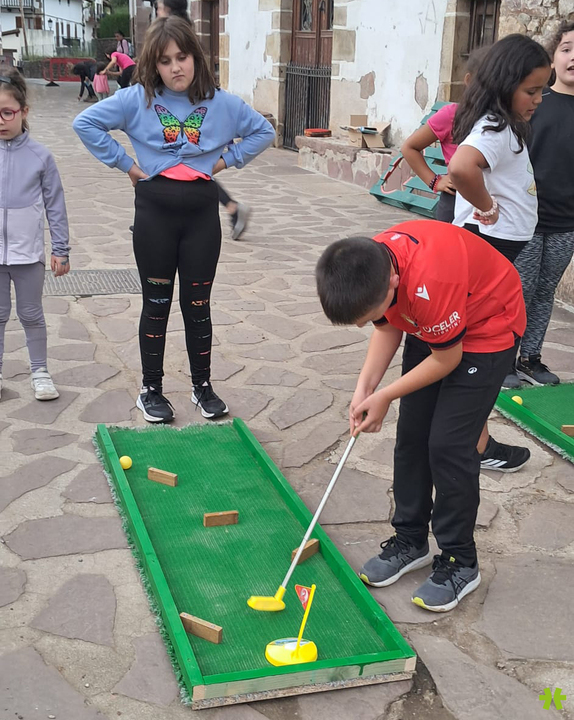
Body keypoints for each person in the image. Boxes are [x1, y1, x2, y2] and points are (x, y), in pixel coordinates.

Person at [315, 220, 526, 612]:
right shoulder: (370, 264)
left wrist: (385, 395)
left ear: (393, 282)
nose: (362, 323)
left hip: (488, 327)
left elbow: (447, 358)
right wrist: (365, 388)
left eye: (367, 314)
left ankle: (461, 561)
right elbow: (386, 328)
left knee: (448, 446)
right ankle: (410, 540)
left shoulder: (432, 278)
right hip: (431, 323)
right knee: (412, 436)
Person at [73, 17, 274, 423]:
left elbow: (263, 132)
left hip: (201, 218)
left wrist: (223, 162)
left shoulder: (223, 103)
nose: (175, 68)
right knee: (157, 303)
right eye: (165, 61)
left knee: (198, 305)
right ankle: (151, 390)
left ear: (195, 57)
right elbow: (85, 123)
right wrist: (128, 166)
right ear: (154, 65)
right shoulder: (136, 99)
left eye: (182, 57)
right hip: (155, 217)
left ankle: (203, 387)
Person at [449, 34, 551, 469]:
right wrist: (487, 207)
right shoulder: (495, 128)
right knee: (481, 346)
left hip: (497, 248)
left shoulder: (503, 124)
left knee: (478, 342)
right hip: (487, 245)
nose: (539, 100)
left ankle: (473, 438)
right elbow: (461, 167)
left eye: (542, 90)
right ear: (505, 84)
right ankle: (472, 443)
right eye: (531, 91)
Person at [505, 21, 574, 387]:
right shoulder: (534, 102)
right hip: (525, 220)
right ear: (552, 57)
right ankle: (503, 360)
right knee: (519, 290)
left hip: (566, 222)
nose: (573, 57)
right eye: (567, 49)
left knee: (545, 292)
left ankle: (531, 358)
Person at [0, 70, 70, 402]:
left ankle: (40, 372)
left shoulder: (41, 156)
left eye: (7, 112)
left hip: (28, 254)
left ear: (23, 111)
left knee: (31, 314)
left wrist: (60, 248)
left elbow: (55, 204)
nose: (1, 120)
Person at [155, 0, 251, 241]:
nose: (157, 10)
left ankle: (232, 207)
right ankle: (231, 207)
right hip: (193, 111)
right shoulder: (184, 27)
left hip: (191, 110)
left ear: (167, 8)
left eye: (159, 5)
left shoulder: (174, 32)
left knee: (192, 169)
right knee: (189, 168)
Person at [401, 46, 489, 223]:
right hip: (455, 200)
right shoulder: (452, 115)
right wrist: (434, 181)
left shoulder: (505, 121)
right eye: (488, 83)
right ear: (469, 80)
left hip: (490, 201)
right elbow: (409, 148)